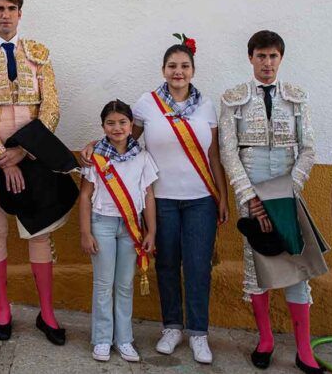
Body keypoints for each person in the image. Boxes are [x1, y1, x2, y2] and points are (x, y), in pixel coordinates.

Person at [83, 35, 229, 364]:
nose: (178, 72)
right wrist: (94, 144)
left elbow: (214, 154)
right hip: (160, 199)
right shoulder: (147, 104)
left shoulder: (206, 106)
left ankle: (199, 333)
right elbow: (121, 141)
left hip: (200, 199)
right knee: (165, 263)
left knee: (197, 266)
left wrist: (222, 196)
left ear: (193, 70)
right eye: (172, 66)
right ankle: (172, 327)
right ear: (163, 70)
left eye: (185, 66)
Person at [218, 30, 328, 373]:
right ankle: (265, 340)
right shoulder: (233, 98)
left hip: (287, 194)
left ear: (281, 59)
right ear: (250, 58)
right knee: (258, 266)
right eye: (261, 56)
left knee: (296, 267)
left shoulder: (297, 97)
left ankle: (304, 349)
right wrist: (249, 198)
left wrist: (288, 189)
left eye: (273, 56)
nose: (267, 63)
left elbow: (308, 148)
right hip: (250, 192)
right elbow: (228, 151)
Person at [0, 0, 65, 344]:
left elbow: (50, 108)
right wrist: (2, 159)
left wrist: (22, 151)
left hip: (32, 157)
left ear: (20, 13)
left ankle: (47, 313)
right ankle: (2, 310)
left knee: (39, 231)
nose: (4, 14)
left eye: (10, 8)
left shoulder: (38, 54)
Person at [78, 100, 158, 363]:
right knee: (103, 284)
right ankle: (102, 339)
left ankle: (124, 339)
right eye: (110, 123)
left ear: (131, 125)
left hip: (131, 227)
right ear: (103, 126)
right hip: (102, 224)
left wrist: (151, 232)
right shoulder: (95, 159)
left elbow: (148, 197)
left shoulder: (142, 156)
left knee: (124, 285)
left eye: (123, 122)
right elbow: (85, 197)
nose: (117, 127)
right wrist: (85, 233)